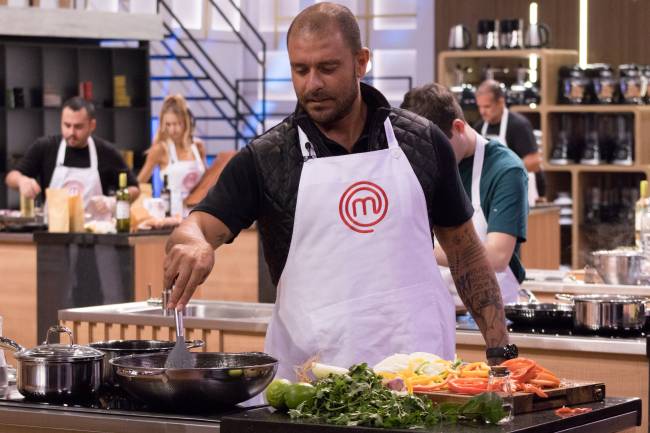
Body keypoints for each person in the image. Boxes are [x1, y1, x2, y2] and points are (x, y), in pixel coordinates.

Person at [163, 2, 512, 380]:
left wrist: (501, 353)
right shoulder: (266, 158)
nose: (312, 84)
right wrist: (192, 240)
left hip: (423, 378)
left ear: (361, 62)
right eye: (301, 70)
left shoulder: (423, 144)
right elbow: (195, 226)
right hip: (311, 387)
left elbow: (465, 253)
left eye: (327, 68)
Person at [401, 83, 528, 305]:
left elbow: (498, 256)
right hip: (434, 307)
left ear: (459, 127)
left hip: (490, 308)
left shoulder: (506, 170)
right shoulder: (421, 165)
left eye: (436, 146)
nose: (429, 158)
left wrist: (415, 250)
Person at [5, 97, 139, 212]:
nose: (71, 132)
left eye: (78, 127)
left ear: (92, 125)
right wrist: (21, 181)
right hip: (53, 233)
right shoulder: (45, 147)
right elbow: (11, 177)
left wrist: (114, 201)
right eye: (67, 125)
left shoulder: (106, 152)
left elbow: (134, 189)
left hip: (96, 234)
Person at [474, 79, 544, 206]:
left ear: (501, 102)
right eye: (479, 107)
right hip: (493, 192)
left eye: (487, 106)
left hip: (521, 191)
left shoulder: (519, 125)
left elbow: (534, 162)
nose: (482, 111)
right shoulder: (479, 128)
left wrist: (501, 174)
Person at [137, 94, 207, 216]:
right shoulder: (160, 150)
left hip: (199, 213)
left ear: (186, 122)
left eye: (177, 124)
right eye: (168, 124)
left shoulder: (198, 147)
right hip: (171, 215)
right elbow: (139, 183)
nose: (172, 130)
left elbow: (206, 182)